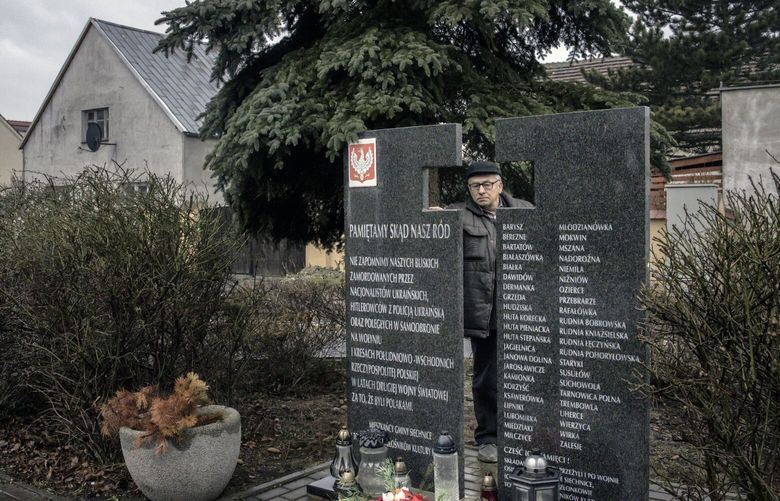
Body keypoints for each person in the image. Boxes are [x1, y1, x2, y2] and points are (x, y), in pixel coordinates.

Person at [449, 161, 532, 463]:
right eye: (475, 186)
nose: (481, 191)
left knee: (526, 375)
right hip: (484, 311)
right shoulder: (458, 215)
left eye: (486, 184)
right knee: (487, 378)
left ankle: (526, 434)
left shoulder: (524, 210)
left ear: (500, 185)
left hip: (523, 308)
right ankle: (489, 438)